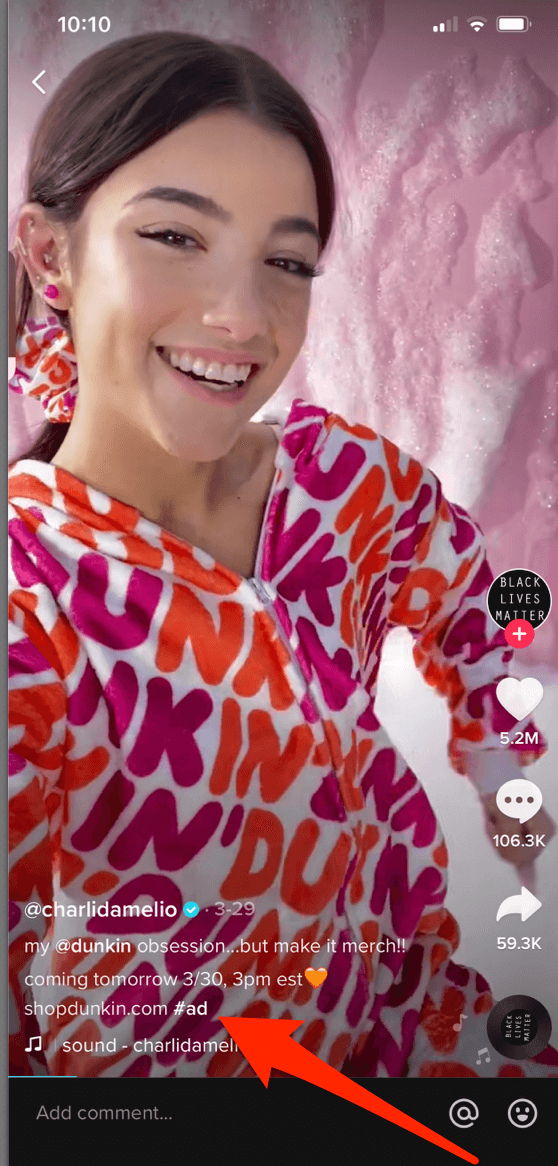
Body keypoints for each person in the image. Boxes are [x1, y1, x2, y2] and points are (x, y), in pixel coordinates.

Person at [8, 31, 556, 1080]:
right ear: (50, 256)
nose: (242, 316)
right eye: (175, 235)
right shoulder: (31, 599)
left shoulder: (339, 482)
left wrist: (502, 759)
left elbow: (470, 588)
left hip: (419, 1035)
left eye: (288, 262)